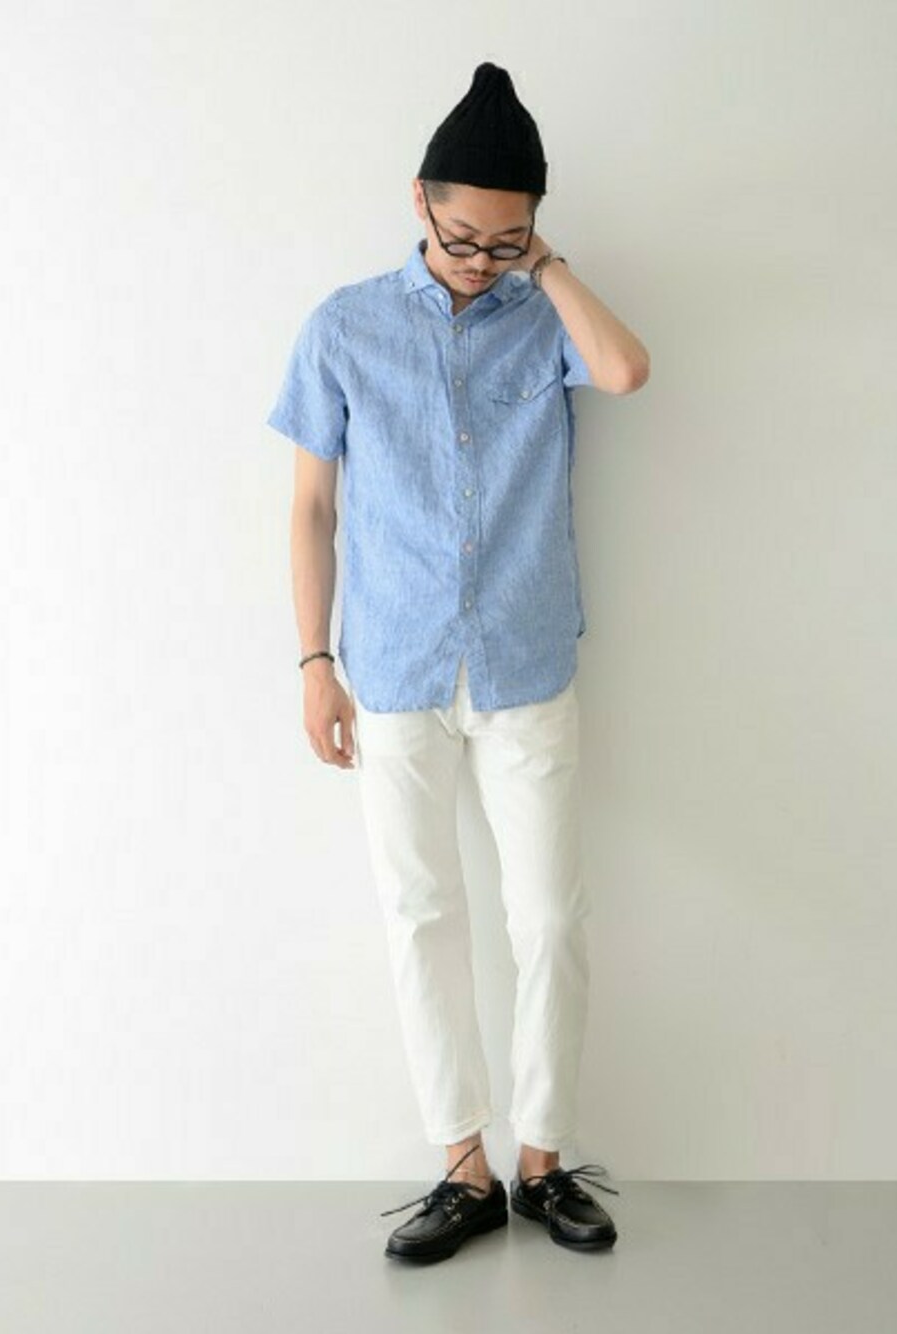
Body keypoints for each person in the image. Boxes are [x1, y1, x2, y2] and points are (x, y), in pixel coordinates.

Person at [267, 61, 650, 1263]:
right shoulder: (343, 327)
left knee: (549, 917)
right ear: (418, 201)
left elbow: (627, 370)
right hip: (392, 667)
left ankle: (543, 1161)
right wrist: (313, 660)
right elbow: (310, 509)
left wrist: (549, 266)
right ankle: (462, 1168)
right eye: (461, 235)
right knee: (420, 912)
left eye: (506, 238)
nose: (480, 259)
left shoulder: (545, 318)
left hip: (525, 662)